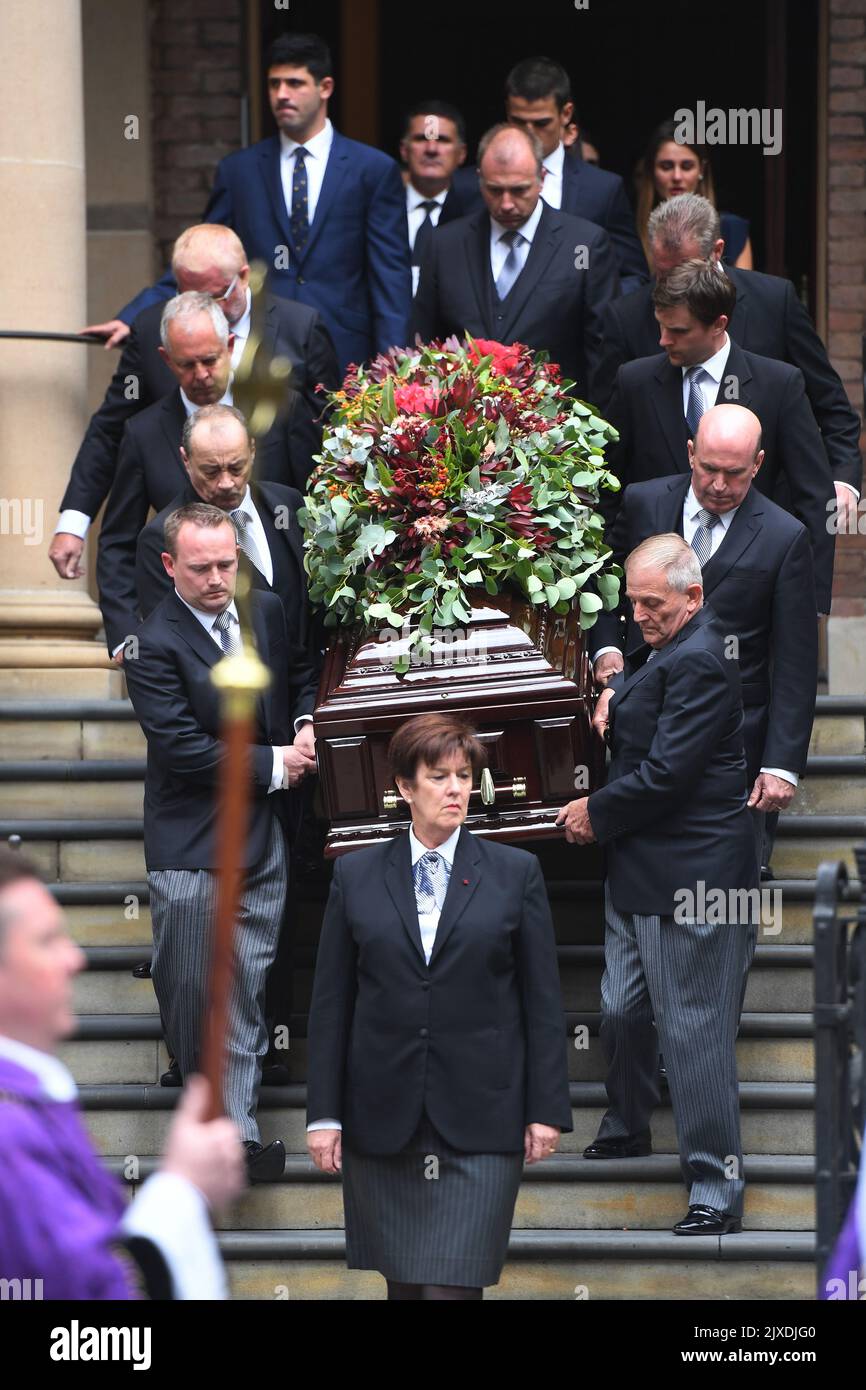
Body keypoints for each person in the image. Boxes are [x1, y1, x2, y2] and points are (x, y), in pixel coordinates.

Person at [306, 713, 571, 1300]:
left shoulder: (514, 873)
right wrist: (324, 1113)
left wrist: (545, 1108)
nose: (456, 789)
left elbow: (542, 1002)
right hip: (384, 1114)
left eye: (464, 776)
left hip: (482, 1115)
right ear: (404, 786)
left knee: (455, 1288)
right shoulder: (355, 875)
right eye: (439, 777)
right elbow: (331, 1006)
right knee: (405, 1290)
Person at [558, 535, 759, 1235]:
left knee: (695, 1033)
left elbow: (670, 773)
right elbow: (648, 719)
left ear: (693, 597)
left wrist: (595, 810)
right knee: (618, 1009)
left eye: (652, 603)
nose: (637, 615)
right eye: (633, 601)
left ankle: (714, 1187)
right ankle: (630, 1119)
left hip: (693, 878)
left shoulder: (703, 657)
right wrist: (615, 695)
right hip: (639, 870)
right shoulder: (668, 647)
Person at [124, 503, 318, 1184]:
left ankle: (234, 1136)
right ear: (169, 565)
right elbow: (181, 749)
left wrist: (304, 722)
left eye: (225, 563)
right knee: (192, 987)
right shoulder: (152, 643)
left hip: (261, 841)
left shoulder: (263, 609)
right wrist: (275, 765)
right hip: (193, 845)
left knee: (239, 986)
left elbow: (296, 671)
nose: (216, 579)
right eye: (200, 567)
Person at [87, 33, 411, 373]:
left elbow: (390, 279)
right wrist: (133, 318)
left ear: (325, 87)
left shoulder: (372, 170)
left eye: (295, 83)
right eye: (274, 84)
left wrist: (391, 370)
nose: (282, 94)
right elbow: (201, 259)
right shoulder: (239, 171)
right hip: (260, 355)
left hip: (345, 353)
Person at [0, 846, 244, 1298]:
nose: (74, 959)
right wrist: (183, 1188)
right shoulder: (8, 1136)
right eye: (46, 941)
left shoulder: (31, 1097)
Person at [590, 404, 818, 876]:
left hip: (737, 742)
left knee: (728, 880)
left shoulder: (784, 535)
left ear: (757, 464)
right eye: (709, 468)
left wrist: (781, 764)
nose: (718, 485)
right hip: (641, 724)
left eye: (734, 474)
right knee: (641, 873)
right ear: (690, 452)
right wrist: (609, 651)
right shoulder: (643, 501)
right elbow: (606, 585)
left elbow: (795, 660)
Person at [50, 223, 338, 583]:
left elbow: (328, 443)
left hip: (275, 546)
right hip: (186, 554)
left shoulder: (301, 328)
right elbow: (110, 430)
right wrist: (74, 521)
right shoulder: (154, 326)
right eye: (186, 294)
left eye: (213, 295)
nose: (199, 307)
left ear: (244, 277)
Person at [590, 194, 862, 529]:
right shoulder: (626, 317)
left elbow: (831, 406)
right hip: (660, 538)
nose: (674, 286)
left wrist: (841, 482)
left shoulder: (775, 302)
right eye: (663, 275)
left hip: (759, 528)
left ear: (716, 252)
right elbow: (608, 441)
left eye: (686, 270)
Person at [604, 258, 836, 612]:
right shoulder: (634, 382)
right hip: (652, 602)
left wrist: (810, 603)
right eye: (661, 327)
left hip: (749, 599)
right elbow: (608, 488)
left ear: (718, 324)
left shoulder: (778, 385)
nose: (663, 340)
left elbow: (814, 496)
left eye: (678, 331)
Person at [96, 292, 317, 658]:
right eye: (187, 364)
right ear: (166, 360)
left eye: (210, 360)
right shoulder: (144, 433)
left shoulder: (280, 407)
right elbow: (118, 540)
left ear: (230, 345)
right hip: (202, 647)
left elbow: (312, 504)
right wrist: (126, 637)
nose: (200, 375)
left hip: (294, 641)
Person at [411, 124, 619, 392]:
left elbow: (602, 349)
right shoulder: (444, 245)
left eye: (519, 190)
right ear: (479, 179)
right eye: (495, 190)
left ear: (542, 178)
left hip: (558, 421)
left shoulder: (584, 245)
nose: (507, 203)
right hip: (462, 421)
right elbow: (422, 341)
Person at [450, 56, 647, 293]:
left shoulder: (602, 190)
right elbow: (442, 268)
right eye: (518, 121)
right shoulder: (466, 187)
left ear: (566, 114)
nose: (528, 133)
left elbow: (634, 278)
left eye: (541, 123)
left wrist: (592, 306)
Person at [634, 118, 753, 269]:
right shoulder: (632, 231)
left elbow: (742, 289)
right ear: (651, 170)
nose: (677, 176)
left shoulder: (731, 228)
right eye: (666, 166)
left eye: (687, 166)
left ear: (701, 170)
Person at [399, 100, 469, 296]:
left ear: (461, 153)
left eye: (442, 140)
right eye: (421, 138)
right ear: (404, 150)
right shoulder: (381, 208)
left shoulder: (476, 212)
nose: (431, 149)